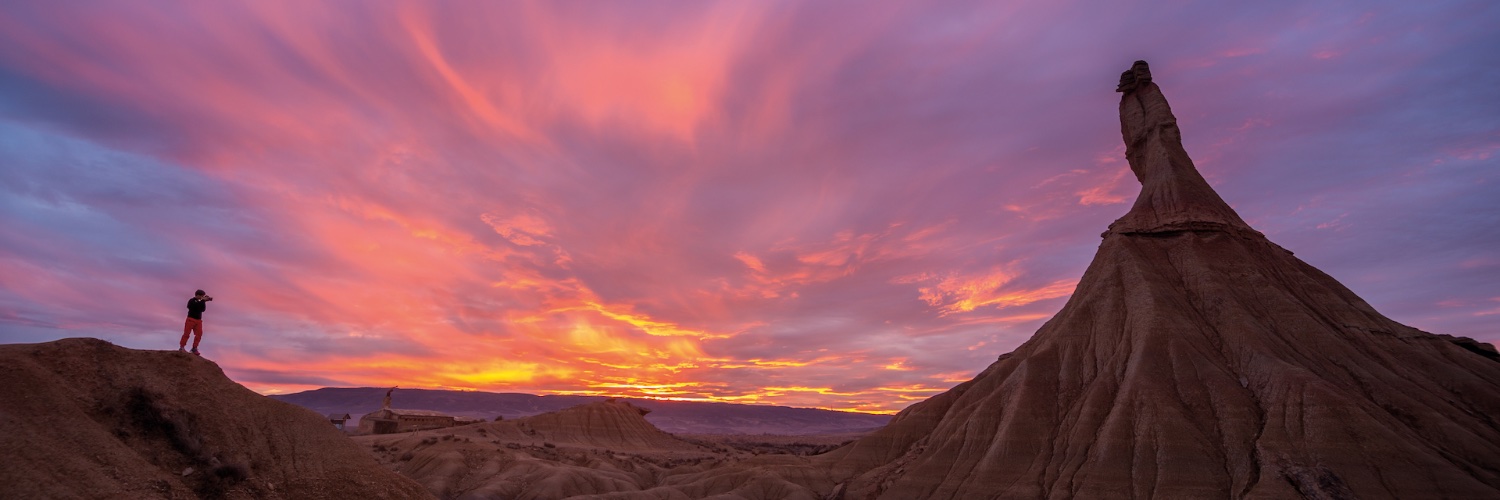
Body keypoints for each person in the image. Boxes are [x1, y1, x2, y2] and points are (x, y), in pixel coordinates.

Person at [179, 290, 213, 355]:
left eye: (203, 296)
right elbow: (190, 307)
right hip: (190, 319)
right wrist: (202, 301)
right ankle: (182, 347)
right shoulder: (191, 300)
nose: (202, 297)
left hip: (198, 321)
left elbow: (203, 309)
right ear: (197, 295)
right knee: (186, 333)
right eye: (201, 296)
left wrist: (203, 301)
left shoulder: (201, 302)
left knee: (199, 334)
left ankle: (194, 348)